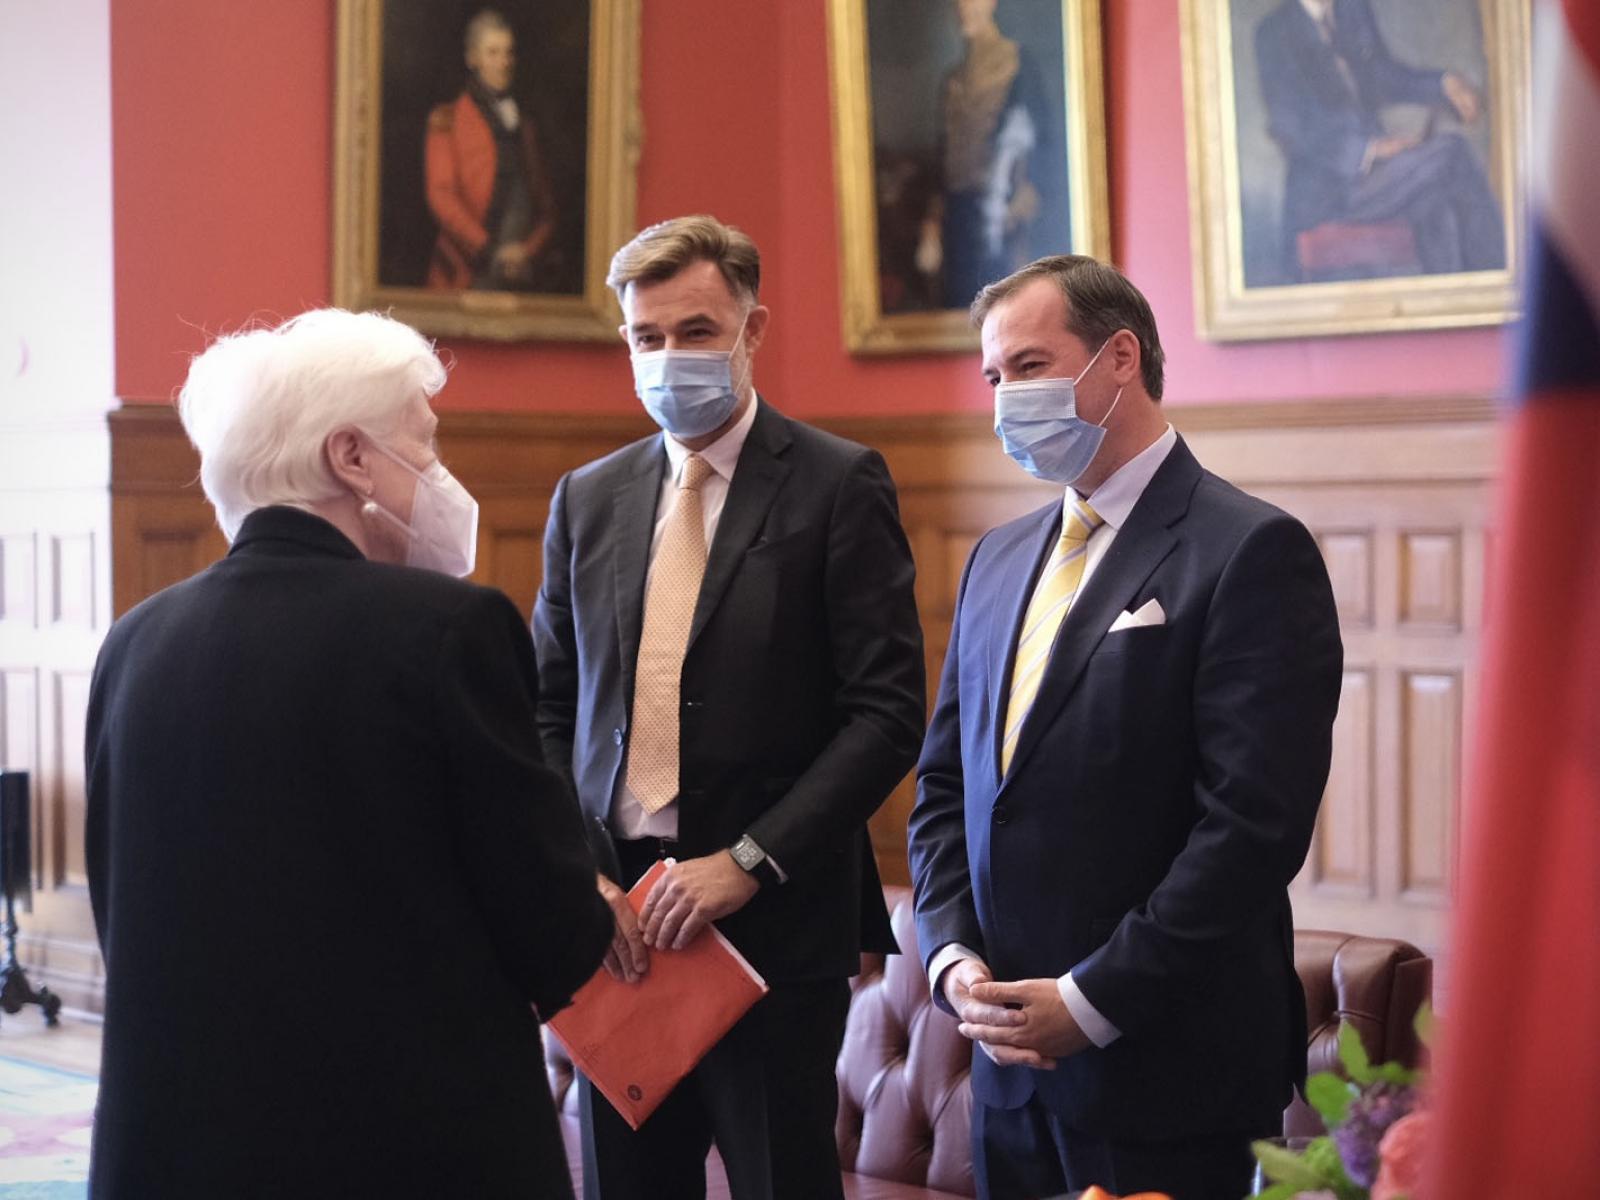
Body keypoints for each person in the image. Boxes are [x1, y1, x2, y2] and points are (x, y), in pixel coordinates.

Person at [84, 309, 612, 1198]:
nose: (442, 477)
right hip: (406, 1150)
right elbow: (558, 940)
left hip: (176, 1150)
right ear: (351, 457)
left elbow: (118, 910)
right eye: (427, 446)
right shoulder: (449, 631)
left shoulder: (135, 643)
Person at [906, 256, 1343, 1200]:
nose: (1003, 400)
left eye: (1028, 367)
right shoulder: (997, 555)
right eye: (992, 378)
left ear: (1118, 358)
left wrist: (1090, 1000)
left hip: (1167, 1073)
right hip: (1006, 1076)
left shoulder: (1250, 549)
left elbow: (1250, 830)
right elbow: (947, 784)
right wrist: (949, 957)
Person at [533, 214, 926, 1200]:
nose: (671, 358)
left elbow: (884, 714)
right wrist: (580, 874)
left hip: (772, 928)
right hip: (617, 924)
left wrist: (747, 862)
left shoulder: (839, 482)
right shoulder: (587, 497)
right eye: (646, 338)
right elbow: (541, 710)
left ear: (752, 331)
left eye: (697, 331)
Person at [1255, 0, 1506, 279]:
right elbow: (1292, 127)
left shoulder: (1351, 10)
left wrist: (1444, 83)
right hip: (1327, 190)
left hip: (1375, 178)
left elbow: (1383, 78)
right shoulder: (1273, 33)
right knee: (1451, 154)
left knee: (1434, 197)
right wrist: (1370, 149)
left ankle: (1459, 299)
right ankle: (1502, 282)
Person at [915, 0, 1060, 310]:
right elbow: (943, 159)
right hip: (958, 217)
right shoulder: (953, 79)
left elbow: (1041, 142)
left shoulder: (1019, 64)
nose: (962, 8)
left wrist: (1024, 199)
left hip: (1003, 215)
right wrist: (932, 223)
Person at [425, 9, 557, 291]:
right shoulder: (446, 119)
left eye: (508, 53)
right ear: (473, 58)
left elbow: (545, 206)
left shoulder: (526, 124)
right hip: (466, 266)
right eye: (493, 53)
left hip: (520, 269)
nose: (503, 62)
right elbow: (442, 198)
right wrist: (488, 248)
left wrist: (526, 251)